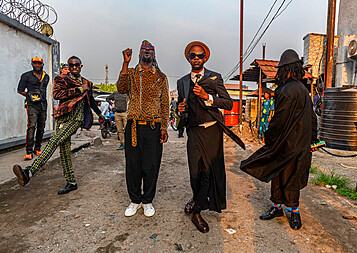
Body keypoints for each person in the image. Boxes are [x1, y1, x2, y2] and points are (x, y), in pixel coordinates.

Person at [240, 49, 318, 230]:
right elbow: (312, 117)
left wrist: (269, 138)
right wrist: (313, 139)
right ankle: (278, 209)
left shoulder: (285, 90)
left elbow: (279, 120)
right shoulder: (303, 90)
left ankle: (294, 212)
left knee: (285, 176)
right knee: (288, 176)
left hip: (287, 144)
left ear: (285, 69)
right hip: (299, 144)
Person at [13, 56, 104, 195]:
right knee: (64, 152)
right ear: (68, 66)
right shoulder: (61, 79)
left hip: (76, 119)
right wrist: (79, 89)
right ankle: (71, 182)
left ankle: (30, 171)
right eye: (71, 65)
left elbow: (90, 100)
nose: (74, 67)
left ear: (81, 66)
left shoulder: (87, 83)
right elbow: (57, 94)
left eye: (77, 65)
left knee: (54, 140)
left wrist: (100, 114)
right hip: (62, 118)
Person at [177, 41, 233, 233]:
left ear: (205, 58)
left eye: (200, 55)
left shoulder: (214, 77)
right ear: (188, 58)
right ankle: (196, 197)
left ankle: (197, 211)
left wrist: (208, 97)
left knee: (208, 172)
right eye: (193, 55)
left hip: (211, 131)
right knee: (194, 172)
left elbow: (228, 103)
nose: (196, 58)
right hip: (193, 131)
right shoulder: (182, 82)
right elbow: (182, 109)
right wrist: (180, 110)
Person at [116, 40, 169, 217]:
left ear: (154, 55)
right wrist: (125, 62)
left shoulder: (160, 77)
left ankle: (147, 201)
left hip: (153, 126)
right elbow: (121, 88)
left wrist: (164, 127)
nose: (147, 52)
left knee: (151, 165)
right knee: (133, 165)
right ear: (139, 54)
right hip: (133, 126)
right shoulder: (131, 73)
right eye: (144, 50)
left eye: (150, 50)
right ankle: (134, 200)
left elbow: (165, 103)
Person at [17, 56, 50, 160]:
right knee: (31, 126)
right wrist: (30, 96)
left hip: (43, 105)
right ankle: (29, 151)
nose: (37, 65)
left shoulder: (46, 76)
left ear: (42, 64)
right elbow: (20, 90)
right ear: (32, 64)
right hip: (32, 105)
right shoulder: (26, 76)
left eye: (39, 63)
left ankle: (38, 148)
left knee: (41, 128)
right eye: (35, 63)